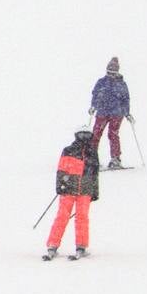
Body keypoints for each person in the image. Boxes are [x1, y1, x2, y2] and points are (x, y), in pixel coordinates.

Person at [44, 125, 101, 261]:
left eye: (86, 135)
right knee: (62, 216)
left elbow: (95, 174)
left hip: (85, 190)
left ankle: (81, 245)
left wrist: (94, 191)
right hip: (68, 188)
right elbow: (61, 170)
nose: (84, 138)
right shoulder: (68, 150)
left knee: (82, 217)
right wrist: (60, 187)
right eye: (81, 135)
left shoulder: (92, 152)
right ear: (76, 135)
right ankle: (53, 244)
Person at [88, 58, 131, 170]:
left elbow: (126, 99)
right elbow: (95, 95)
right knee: (96, 134)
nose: (110, 75)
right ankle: (92, 158)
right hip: (102, 111)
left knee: (113, 135)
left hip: (117, 113)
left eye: (112, 73)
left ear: (117, 72)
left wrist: (127, 113)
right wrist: (93, 106)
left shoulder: (122, 84)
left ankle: (115, 159)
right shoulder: (101, 82)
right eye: (108, 72)